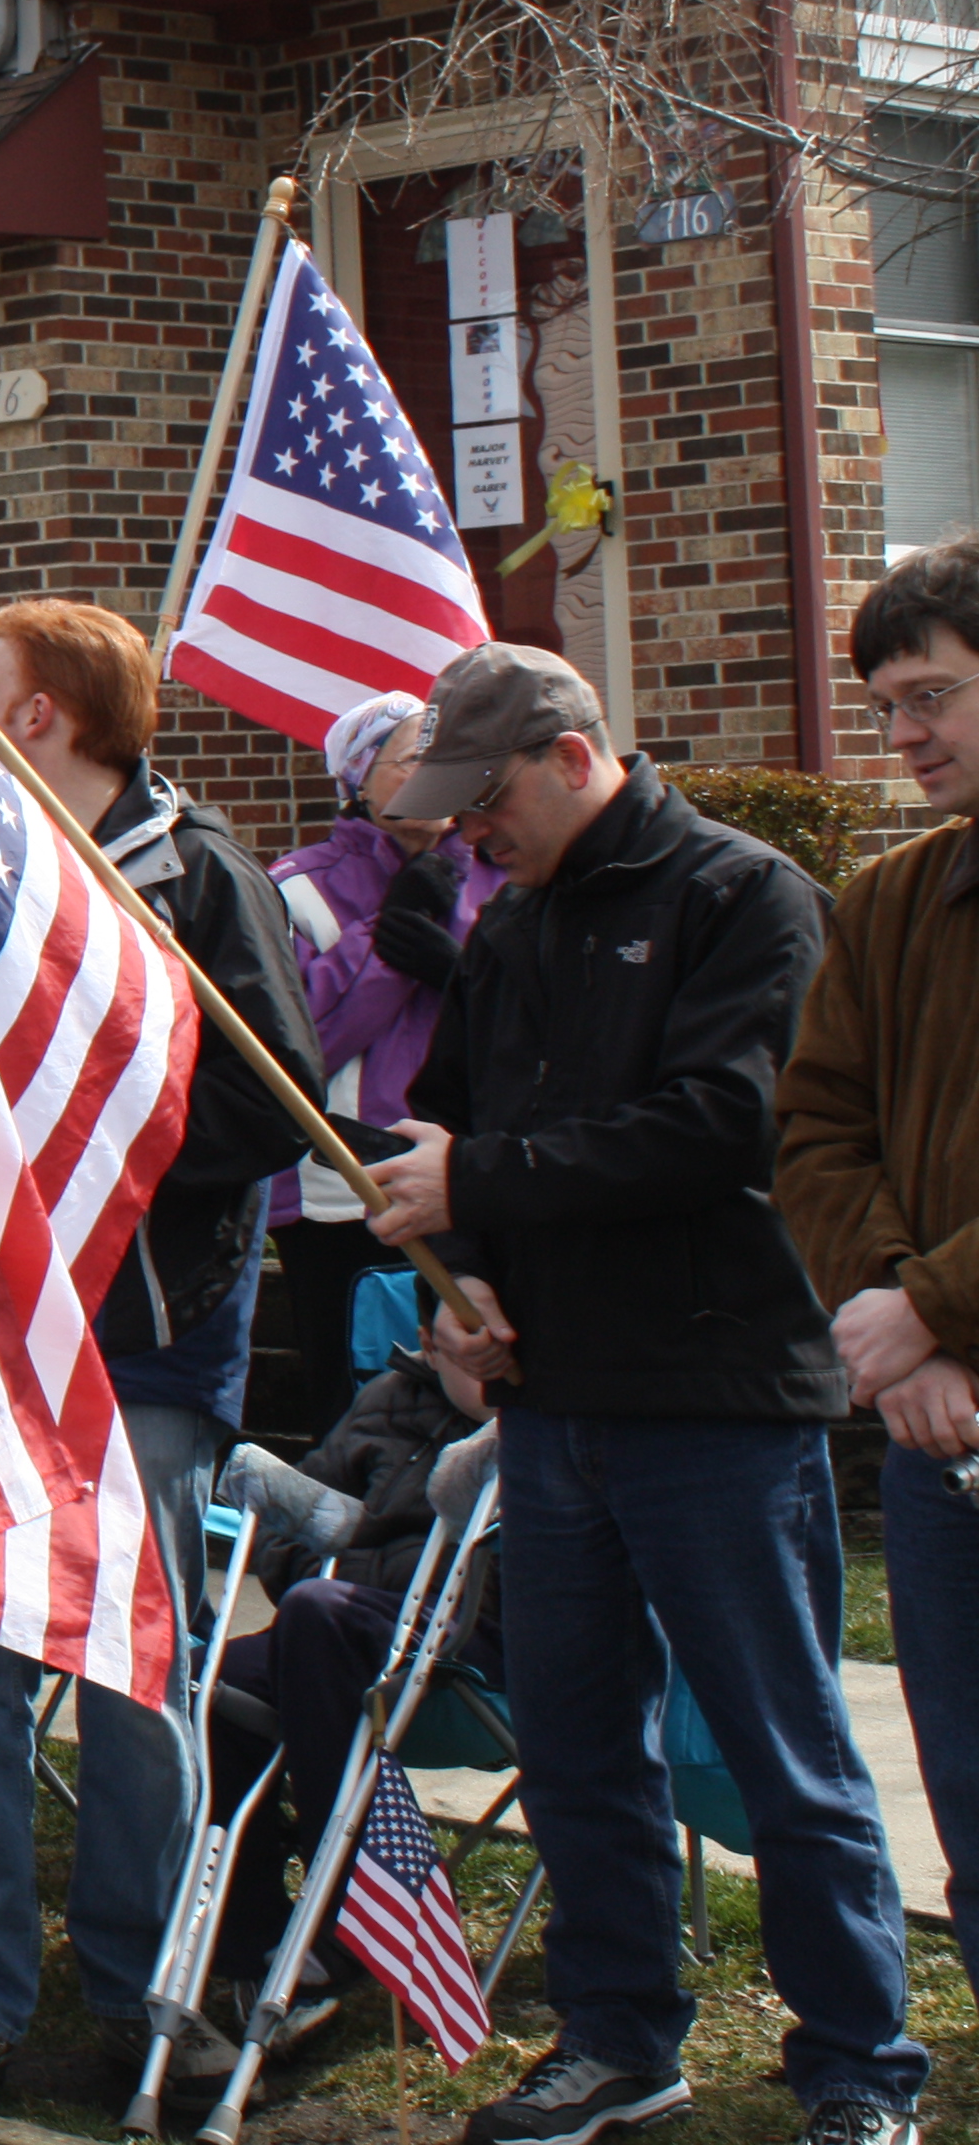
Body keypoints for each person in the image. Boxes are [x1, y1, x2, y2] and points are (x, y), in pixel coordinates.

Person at [369, 642, 925, 2145]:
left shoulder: (743, 898)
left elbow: (728, 1122)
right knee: (574, 1744)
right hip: (549, 1403)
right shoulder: (511, 933)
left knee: (780, 1747)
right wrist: (464, 1295)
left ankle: (863, 2066)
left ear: (569, 754)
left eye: (479, 801)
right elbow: (466, 1127)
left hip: (720, 1395)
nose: (462, 833)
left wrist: (475, 1180)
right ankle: (620, 2038)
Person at [0, 598, 327, 2112]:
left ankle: (157, 1991)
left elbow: (280, 1111)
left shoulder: (204, 876)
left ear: (41, 715)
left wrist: (96, 1134)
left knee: (140, 1689)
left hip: (142, 1352)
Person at [779, 530, 979, 1978]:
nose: (903, 734)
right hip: (935, 1437)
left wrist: (929, 1309)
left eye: (935, 696)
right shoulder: (889, 900)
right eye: (888, 704)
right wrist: (884, 1311)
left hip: (937, 1364)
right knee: (965, 1783)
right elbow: (816, 1129)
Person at [198, 1340, 501, 2009]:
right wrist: (338, 1558)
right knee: (209, 1679)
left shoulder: (542, 1423)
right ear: (431, 1333)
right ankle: (244, 1934)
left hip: (468, 1658)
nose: (485, 1345)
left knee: (319, 1614)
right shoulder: (387, 1398)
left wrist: (353, 1567)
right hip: (333, 1636)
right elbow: (284, 1538)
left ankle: (344, 1921)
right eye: (464, 1324)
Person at [261, 690, 503, 1429]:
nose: (434, 773)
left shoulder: (502, 871)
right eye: (410, 760)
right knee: (358, 1400)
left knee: (477, 1392)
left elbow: (531, 1020)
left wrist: (454, 970)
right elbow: (303, 1043)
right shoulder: (297, 885)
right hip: (342, 1186)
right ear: (359, 779)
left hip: (471, 1170)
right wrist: (388, 934)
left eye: (446, 757)